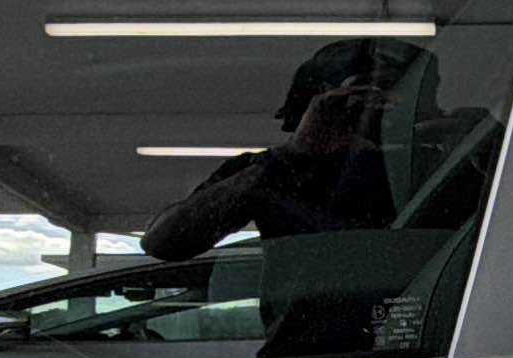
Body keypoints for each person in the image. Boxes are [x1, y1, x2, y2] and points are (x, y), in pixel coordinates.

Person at [141, 37, 430, 263]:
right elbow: (164, 243)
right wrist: (294, 153)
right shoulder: (275, 171)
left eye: (415, 92)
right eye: (369, 92)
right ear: (322, 103)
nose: (391, 103)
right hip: (315, 321)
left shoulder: (431, 163)